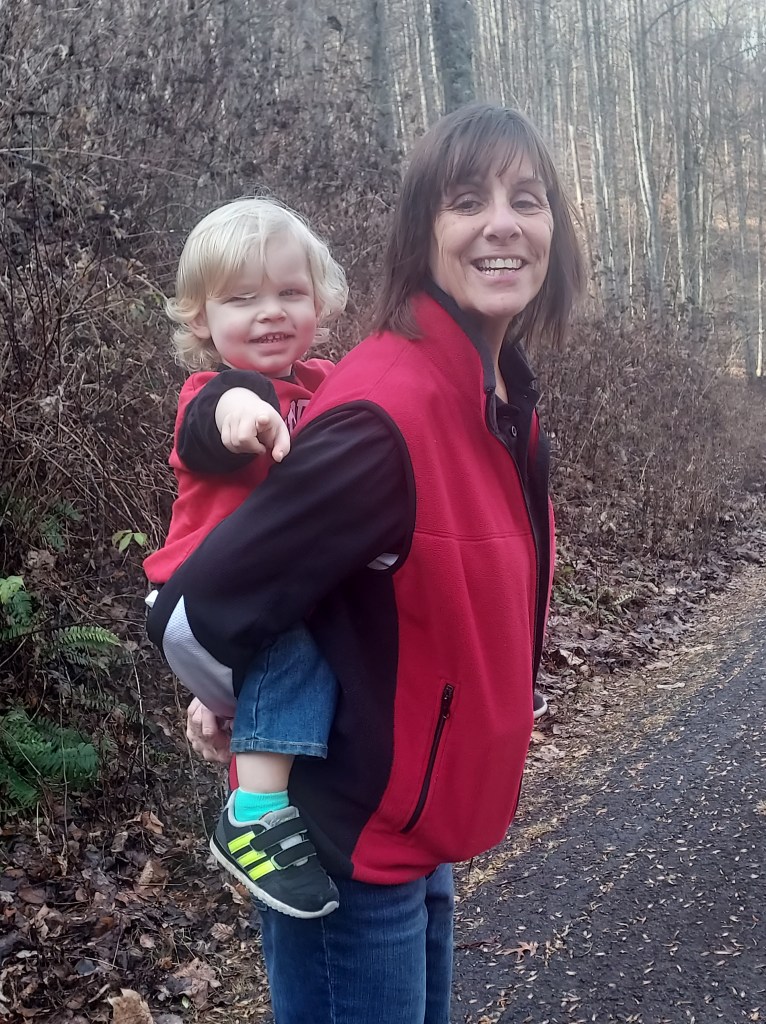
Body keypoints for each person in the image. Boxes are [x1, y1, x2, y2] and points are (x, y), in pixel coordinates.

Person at [148, 102, 584, 1024]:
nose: (503, 223)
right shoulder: (388, 413)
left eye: (527, 198)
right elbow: (192, 615)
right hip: (351, 851)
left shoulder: (491, 397)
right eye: (467, 200)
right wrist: (238, 702)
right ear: (421, 230)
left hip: (416, 832)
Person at [143, 197, 349, 919]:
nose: (270, 313)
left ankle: (240, 728)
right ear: (201, 319)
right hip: (208, 592)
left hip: (261, 605)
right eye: (242, 299)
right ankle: (254, 814)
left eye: (290, 292)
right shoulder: (214, 390)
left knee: (307, 653)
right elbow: (212, 420)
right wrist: (245, 416)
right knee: (300, 651)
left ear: (319, 301)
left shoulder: (326, 385)